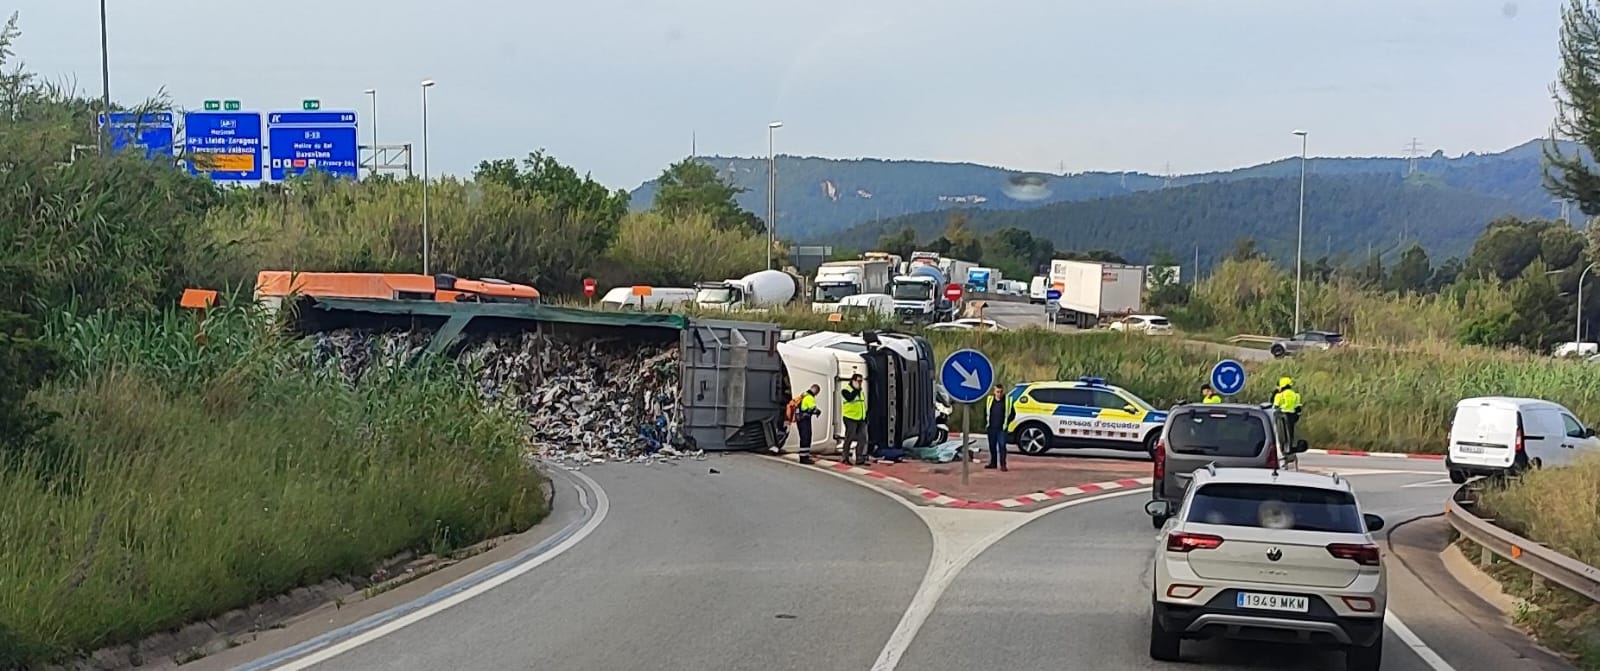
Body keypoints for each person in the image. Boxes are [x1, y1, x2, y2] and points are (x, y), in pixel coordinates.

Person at [840, 373, 869, 465]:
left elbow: (862, 404)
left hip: (860, 418)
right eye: (859, 381)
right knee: (849, 437)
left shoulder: (861, 391)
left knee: (862, 438)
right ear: (853, 381)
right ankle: (845, 457)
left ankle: (859, 457)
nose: (860, 383)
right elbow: (850, 398)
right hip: (850, 417)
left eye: (861, 381)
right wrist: (856, 390)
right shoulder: (846, 390)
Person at [984, 385, 1013, 471]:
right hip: (991, 427)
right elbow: (985, 412)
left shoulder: (1007, 401)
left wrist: (1007, 423)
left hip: (1002, 428)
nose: (999, 394)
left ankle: (1003, 465)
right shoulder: (990, 400)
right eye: (997, 392)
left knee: (1002, 446)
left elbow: (1012, 413)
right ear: (994, 392)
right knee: (992, 446)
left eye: (1001, 392)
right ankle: (993, 463)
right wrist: (986, 424)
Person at [795, 384, 821, 464]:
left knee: (803, 437)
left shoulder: (804, 395)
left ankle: (803, 456)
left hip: (800, 419)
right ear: (816, 392)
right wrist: (818, 411)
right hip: (804, 420)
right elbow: (813, 409)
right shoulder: (809, 397)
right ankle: (804, 457)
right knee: (806, 437)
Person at [1273, 376, 1303, 442]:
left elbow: (1275, 406)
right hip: (1292, 415)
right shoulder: (1296, 395)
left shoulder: (1279, 395)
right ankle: (1291, 441)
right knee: (1291, 429)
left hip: (1282, 414)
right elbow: (1298, 407)